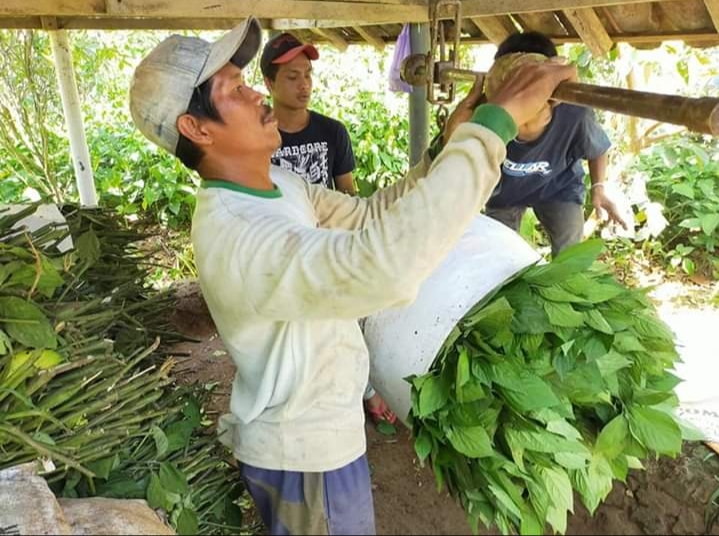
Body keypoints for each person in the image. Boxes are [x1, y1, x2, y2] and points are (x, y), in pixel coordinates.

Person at [129, 17, 576, 535]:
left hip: (321, 435)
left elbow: (368, 217)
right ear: (196, 128)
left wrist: (446, 147)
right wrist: (492, 129)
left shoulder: (276, 183)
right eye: (235, 89)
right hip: (303, 454)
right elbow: (380, 266)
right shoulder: (240, 235)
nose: (257, 96)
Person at [260, 32, 396, 426]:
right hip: (281, 250)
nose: (304, 85)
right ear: (268, 83)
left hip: (329, 245)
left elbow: (349, 194)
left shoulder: (332, 132)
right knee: (292, 336)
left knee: (346, 323)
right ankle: (300, 407)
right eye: (291, 77)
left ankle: (365, 391)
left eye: (307, 75)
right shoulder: (257, 137)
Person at [483, 31, 627, 257]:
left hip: (558, 187)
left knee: (569, 257)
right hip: (505, 192)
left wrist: (599, 187)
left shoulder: (574, 110)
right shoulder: (489, 111)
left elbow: (597, 148)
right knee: (497, 257)